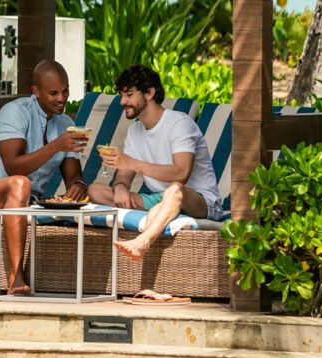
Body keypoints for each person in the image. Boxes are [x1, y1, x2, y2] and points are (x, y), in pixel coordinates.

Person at [0, 59, 88, 296]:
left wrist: (78, 185)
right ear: (36, 91)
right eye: (53, 93)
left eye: (65, 91)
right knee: (20, 183)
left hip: (31, 202)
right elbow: (13, 167)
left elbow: (74, 176)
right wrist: (56, 146)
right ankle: (16, 277)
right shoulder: (15, 112)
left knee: (91, 193)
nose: (62, 98)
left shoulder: (66, 124)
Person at [88, 64, 222, 271]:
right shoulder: (135, 131)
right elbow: (124, 176)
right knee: (95, 190)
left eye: (129, 95)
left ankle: (142, 242)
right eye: (122, 95)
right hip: (160, 199)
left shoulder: (179, 124)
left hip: (199, 200)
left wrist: (132, 163)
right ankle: (160, 214)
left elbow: (181, 173)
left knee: (175, 190)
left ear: (149, 93)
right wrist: (121, 187)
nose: (122, 101)